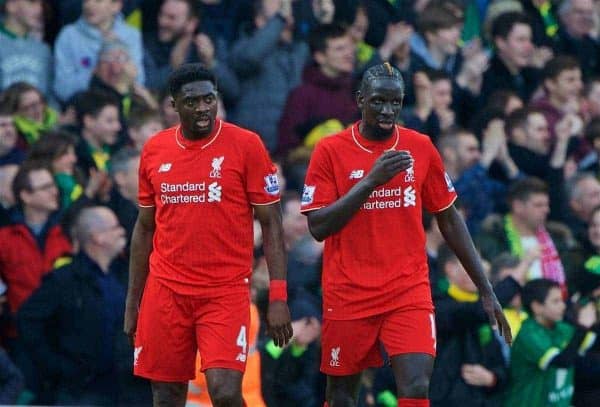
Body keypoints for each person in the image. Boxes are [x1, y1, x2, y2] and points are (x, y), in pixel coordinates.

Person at [300, 62, 511, 407]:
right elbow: (318, 226)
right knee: (340, 396)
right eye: (378, 101)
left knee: (414, 386)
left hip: (407, 290)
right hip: (349, 292)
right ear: (360, 100)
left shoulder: (420, 146)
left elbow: (449, 217)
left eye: (395, 103)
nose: (387, 111)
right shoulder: (330, 150)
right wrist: (370, 182)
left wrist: (486, 290)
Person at [124, 63, 293, 407]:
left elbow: (272, 224)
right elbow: (144, 228)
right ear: (173, 105)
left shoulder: (246, 145)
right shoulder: (155, 150)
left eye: (209, 99)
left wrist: (278, 296)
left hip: (224, 291)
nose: (202, 108)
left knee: (227, 392)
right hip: (166, 289)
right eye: (192, 101)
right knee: (166, 395)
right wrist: (133, 301)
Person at [503, 278, 599, 407]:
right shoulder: (529, 334)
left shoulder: (562, 328)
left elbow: (590, 344)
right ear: (537, 307)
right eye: (555, 301)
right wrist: (582, 327)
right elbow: (562, 361)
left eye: (562, 300)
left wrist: (592, 323)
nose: (563, 305)